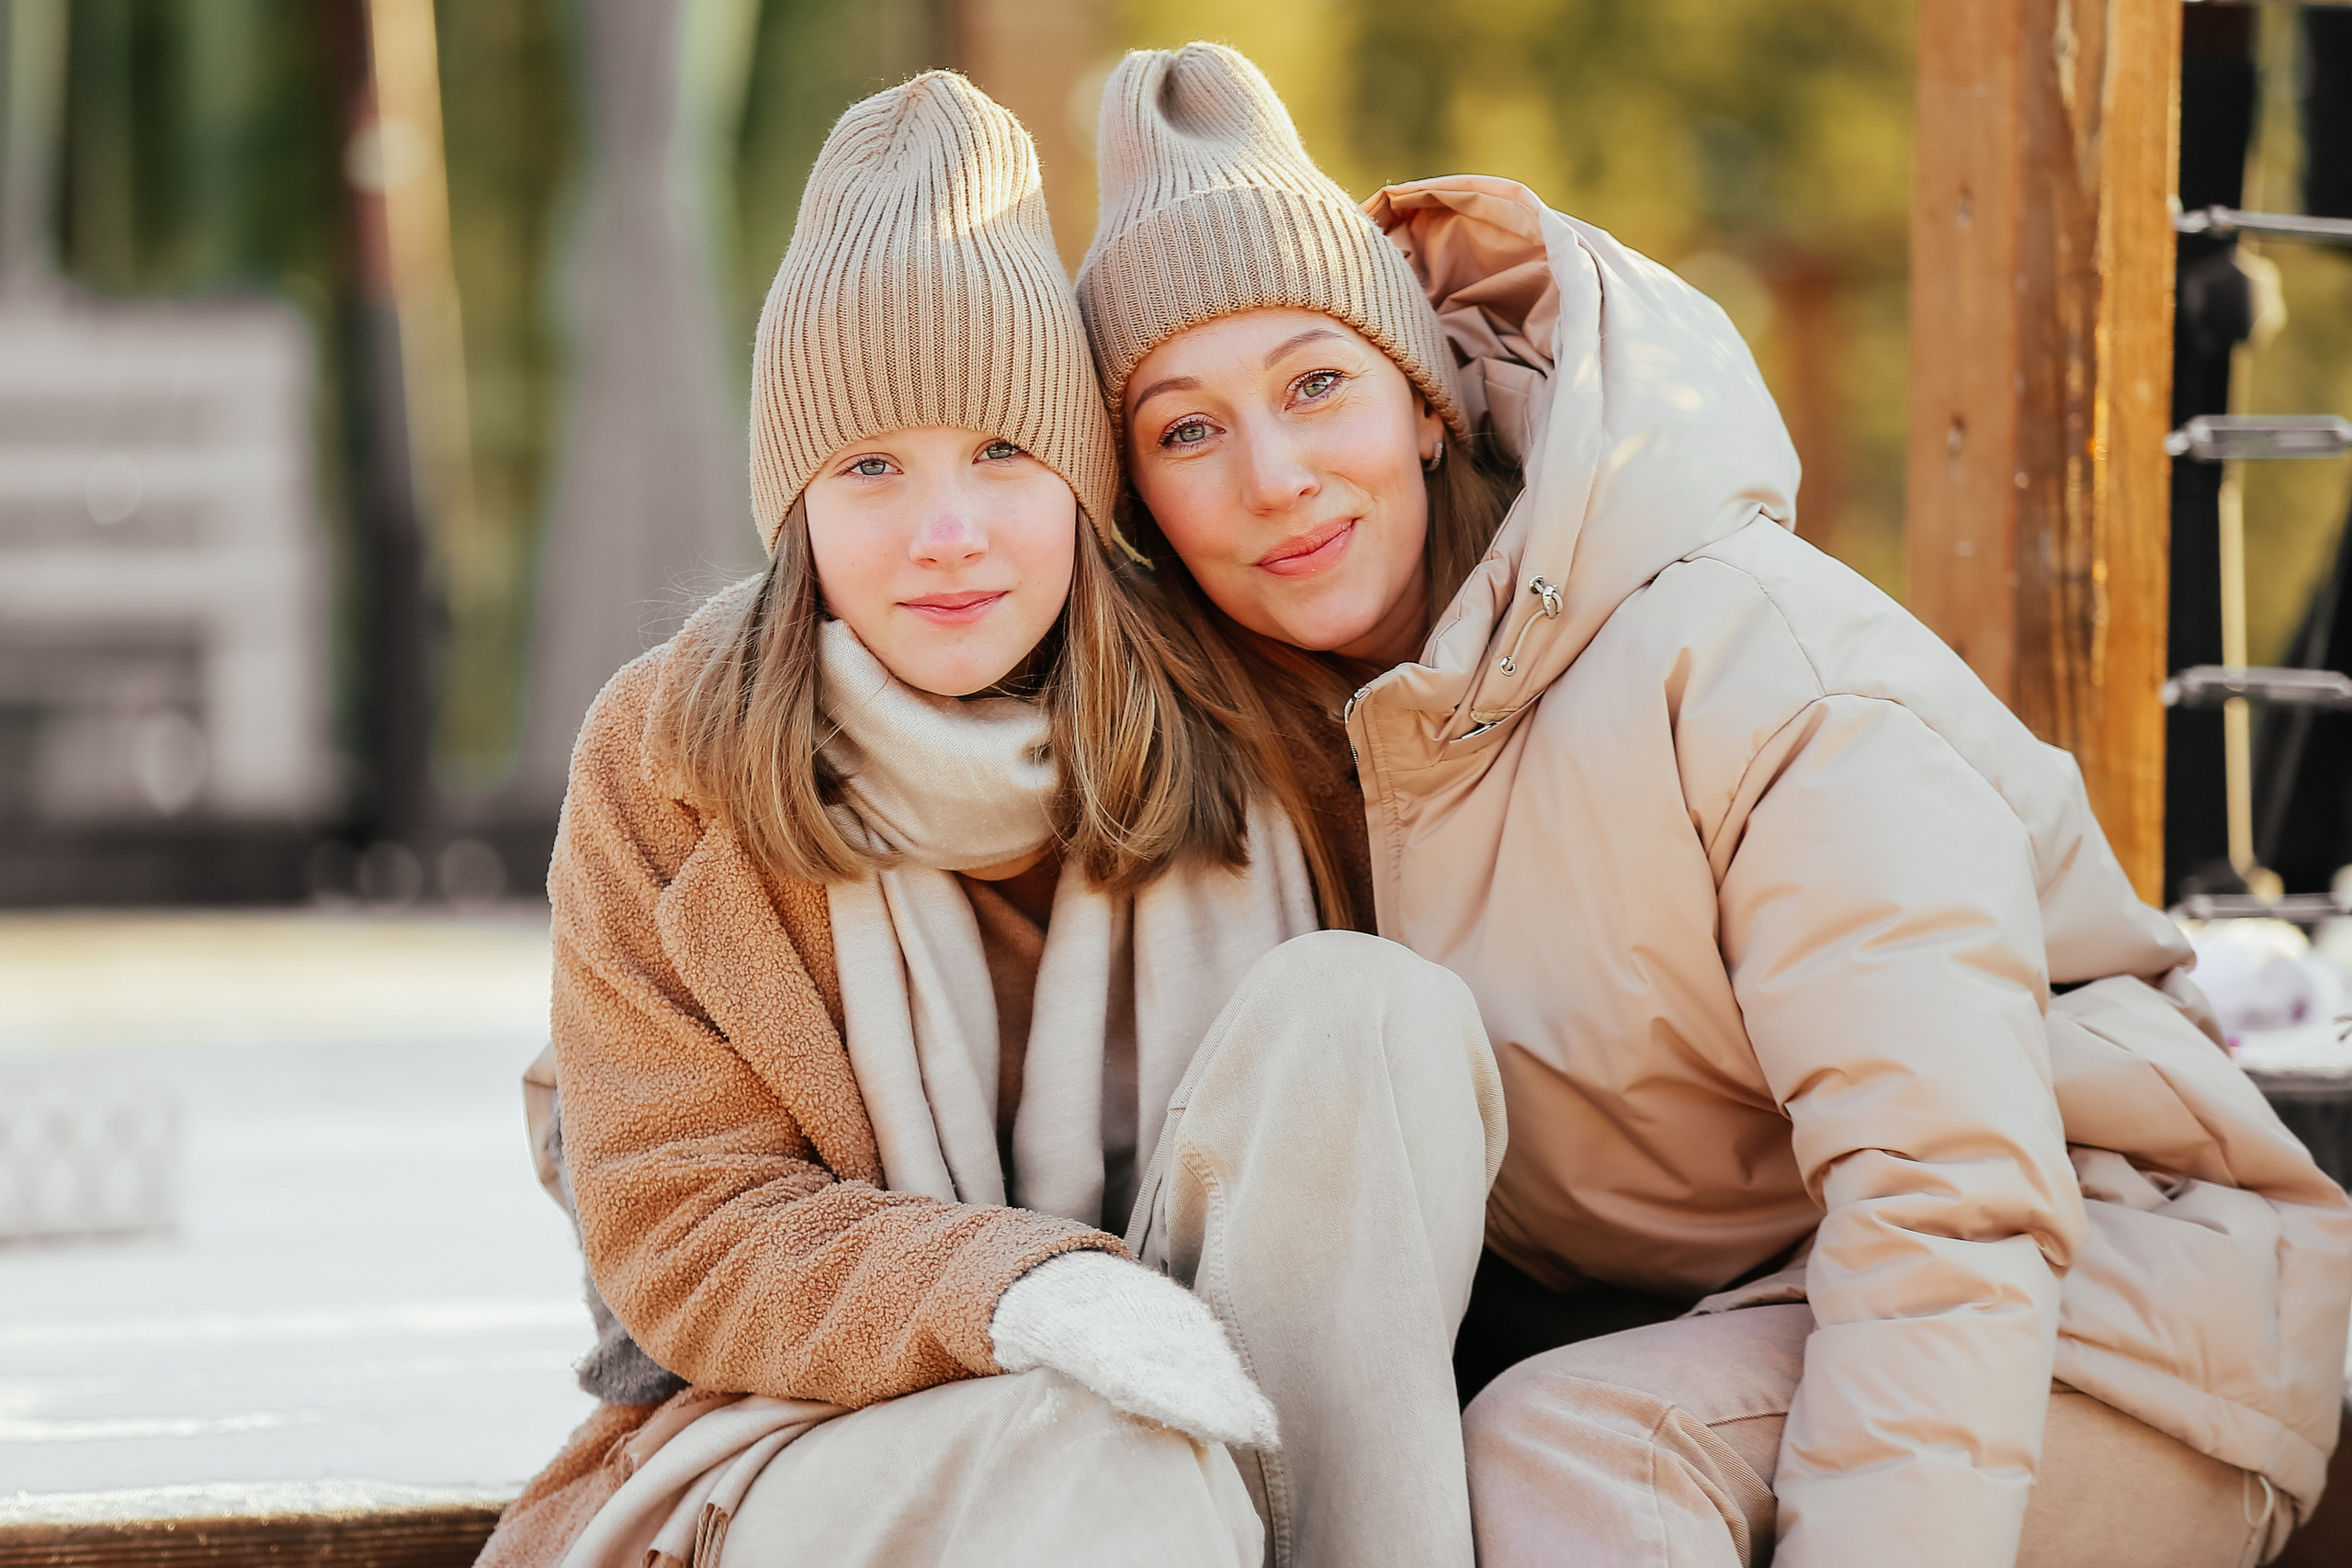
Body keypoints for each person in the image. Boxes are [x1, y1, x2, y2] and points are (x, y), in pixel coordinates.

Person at [1074, 40, 2352, 1568]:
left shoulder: (1742, 662)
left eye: (1317, 384)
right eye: (1188, 429)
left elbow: (1946, 1193)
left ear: (1424, 400)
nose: (1274, 474)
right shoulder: (1269, 765)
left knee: (1562, 1457)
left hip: (2113, 1314)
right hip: (1723, 1322)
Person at [474, 72, 1505, 1568]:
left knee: (1372, 1010)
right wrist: (1026, 1293)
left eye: (1002, 454)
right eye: (872, 467)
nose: (946, 534)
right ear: (797, 508)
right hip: (815, 1437)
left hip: (1263, 1448)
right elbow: (684, 1222)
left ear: (1082, 483)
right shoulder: (672, 759)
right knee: (1109, 1464)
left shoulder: (1256, 712)